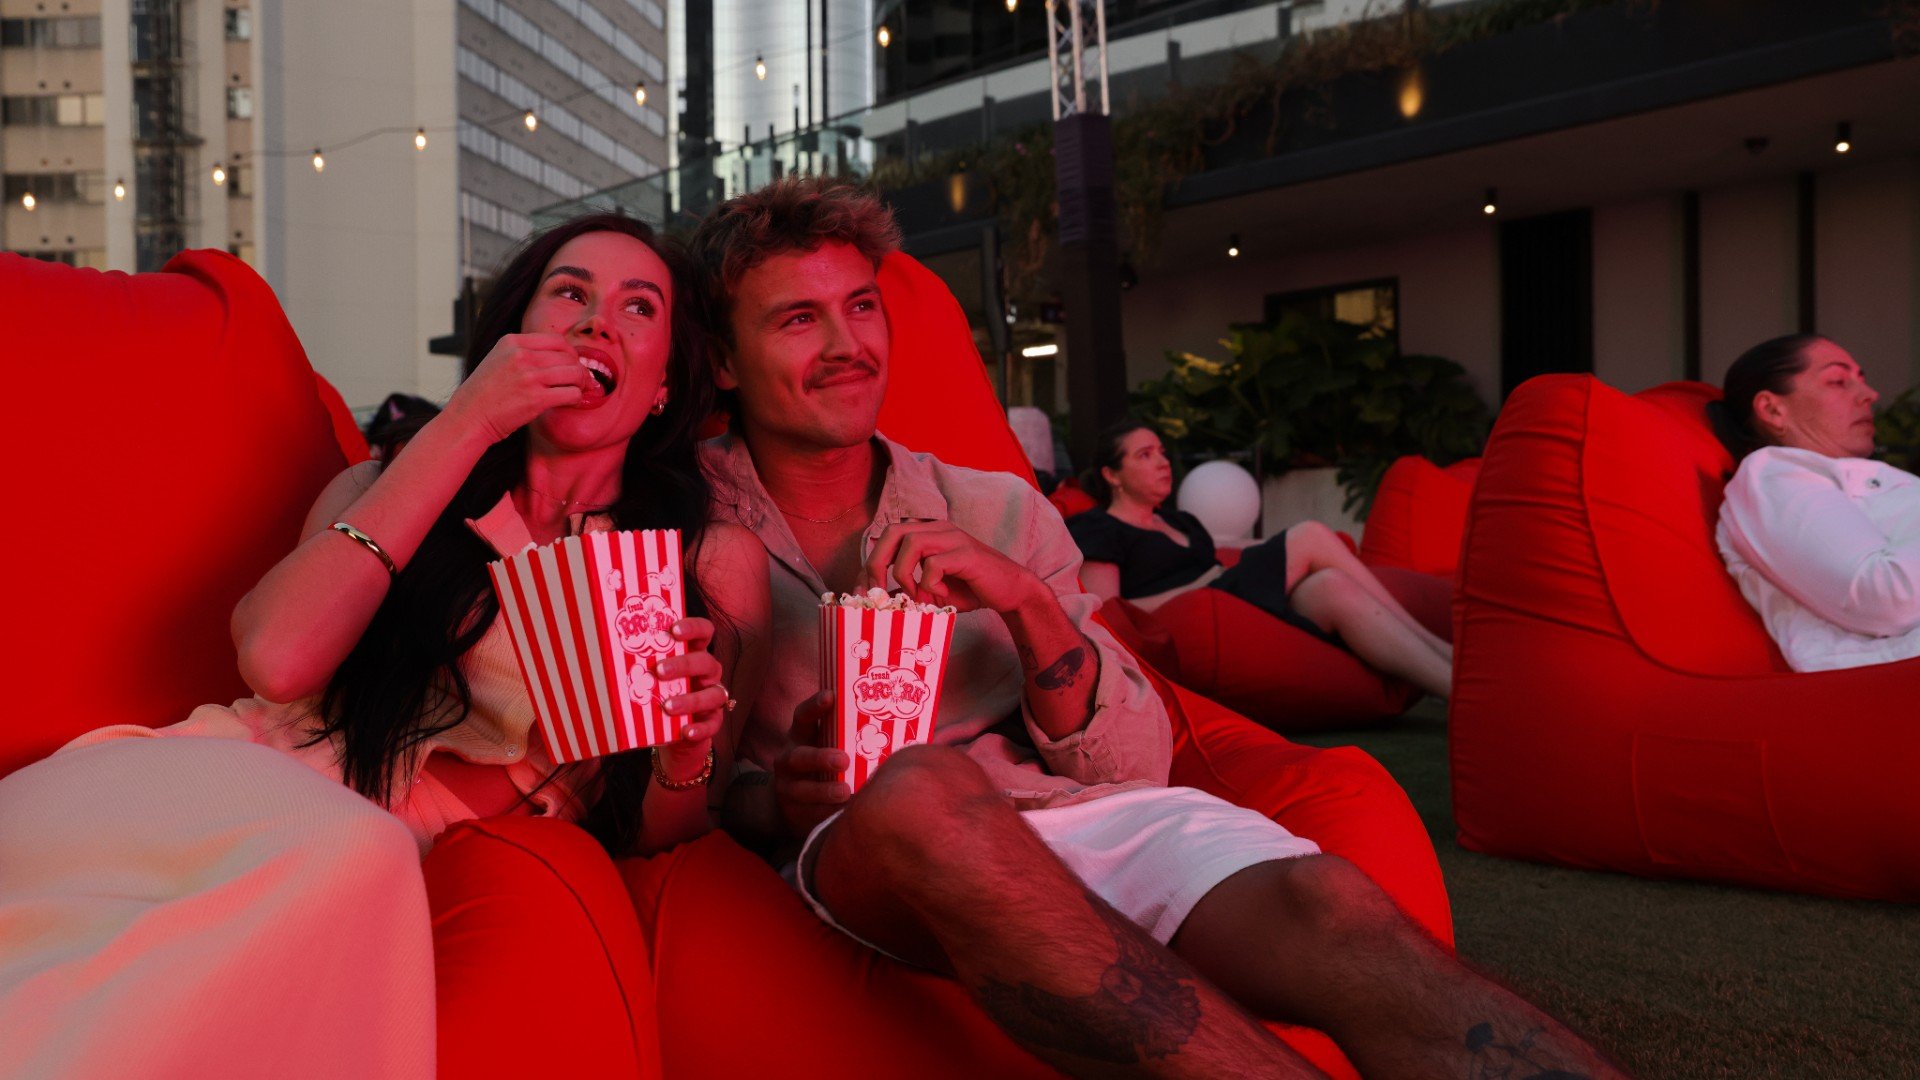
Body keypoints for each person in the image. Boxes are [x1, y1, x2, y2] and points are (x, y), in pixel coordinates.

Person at [690, 176, 1618, 1079]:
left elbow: (1131, 769)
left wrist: (1027, 602)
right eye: (799, 319)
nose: (848, 344)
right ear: (726, 361)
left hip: (1066, 817)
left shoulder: (996, 508)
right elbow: (673, 778)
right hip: (859, 845)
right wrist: (780, 800)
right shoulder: (680, 518)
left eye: (861, 307)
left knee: (1328, 899)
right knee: (921, 787)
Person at [0, 213, 768, 1075]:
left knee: (347, 867)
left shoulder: (704, 561)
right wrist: (468, 423)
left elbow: (668, 834)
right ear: (517, 334)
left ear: (663, 380)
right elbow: (278, 661)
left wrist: (683, 751)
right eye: (570, 293)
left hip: (381, 867)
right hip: (239, 788)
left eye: (638, 308)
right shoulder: (391, 480)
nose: (596, 321)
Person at [1070, 421, 1452, 698]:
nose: (1163, 462)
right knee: (1310, 535)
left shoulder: (1180, 521)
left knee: (1334, 587)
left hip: (1235, 598)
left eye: (1163, 453)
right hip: (1201, 607)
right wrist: (1198, 589)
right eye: (1145, 455)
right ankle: (1439, 646)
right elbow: (1109, 613)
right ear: (1112, 475)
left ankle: (1454, 687)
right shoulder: (1101, 528)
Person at [1713, 333, 1918, 672]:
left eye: (1861, 380)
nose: (1870, 395)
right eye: (1838, 381)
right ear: (1772, 409)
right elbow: (1884, 595)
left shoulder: (1847, 476)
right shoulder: (1773, 476)